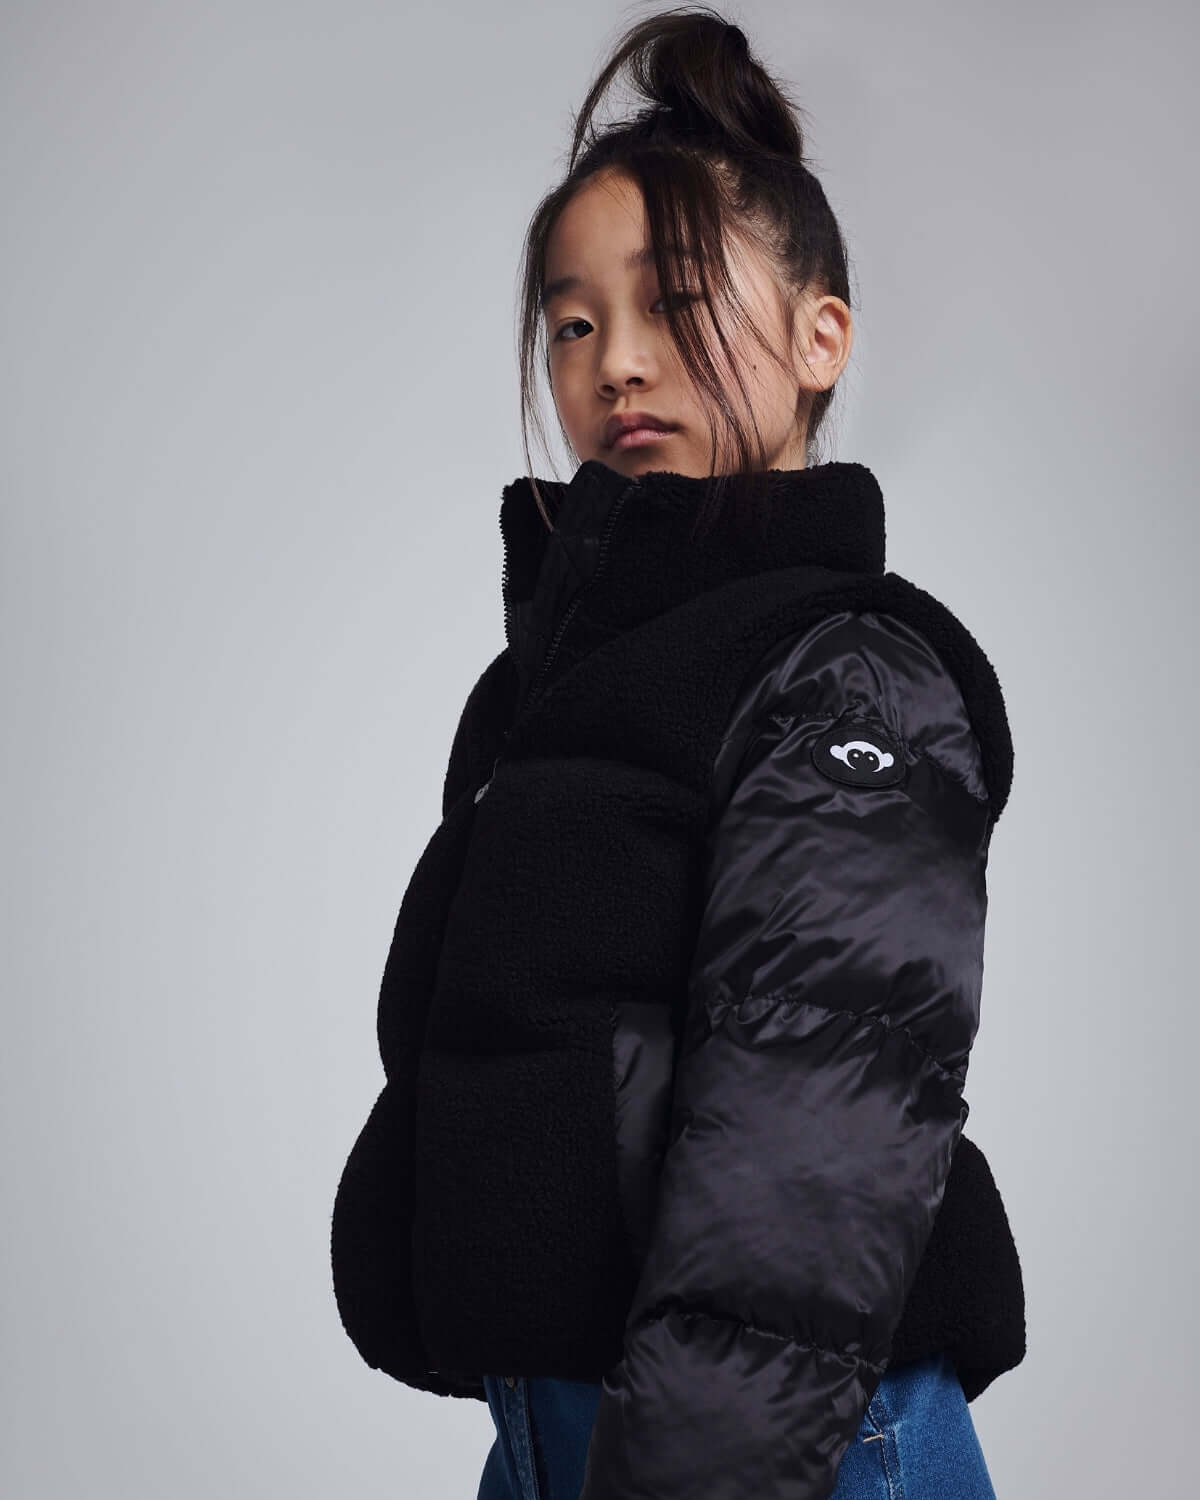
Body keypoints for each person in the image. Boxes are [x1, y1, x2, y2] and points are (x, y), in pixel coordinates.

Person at [330, 8, 1026, 1498]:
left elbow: (814, 1136)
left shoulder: (849, 670)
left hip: (782, 1441)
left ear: (821, 337)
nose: (617, 362)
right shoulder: (550, 689)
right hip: (573, 1421)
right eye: (574, 324)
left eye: (678, 301)